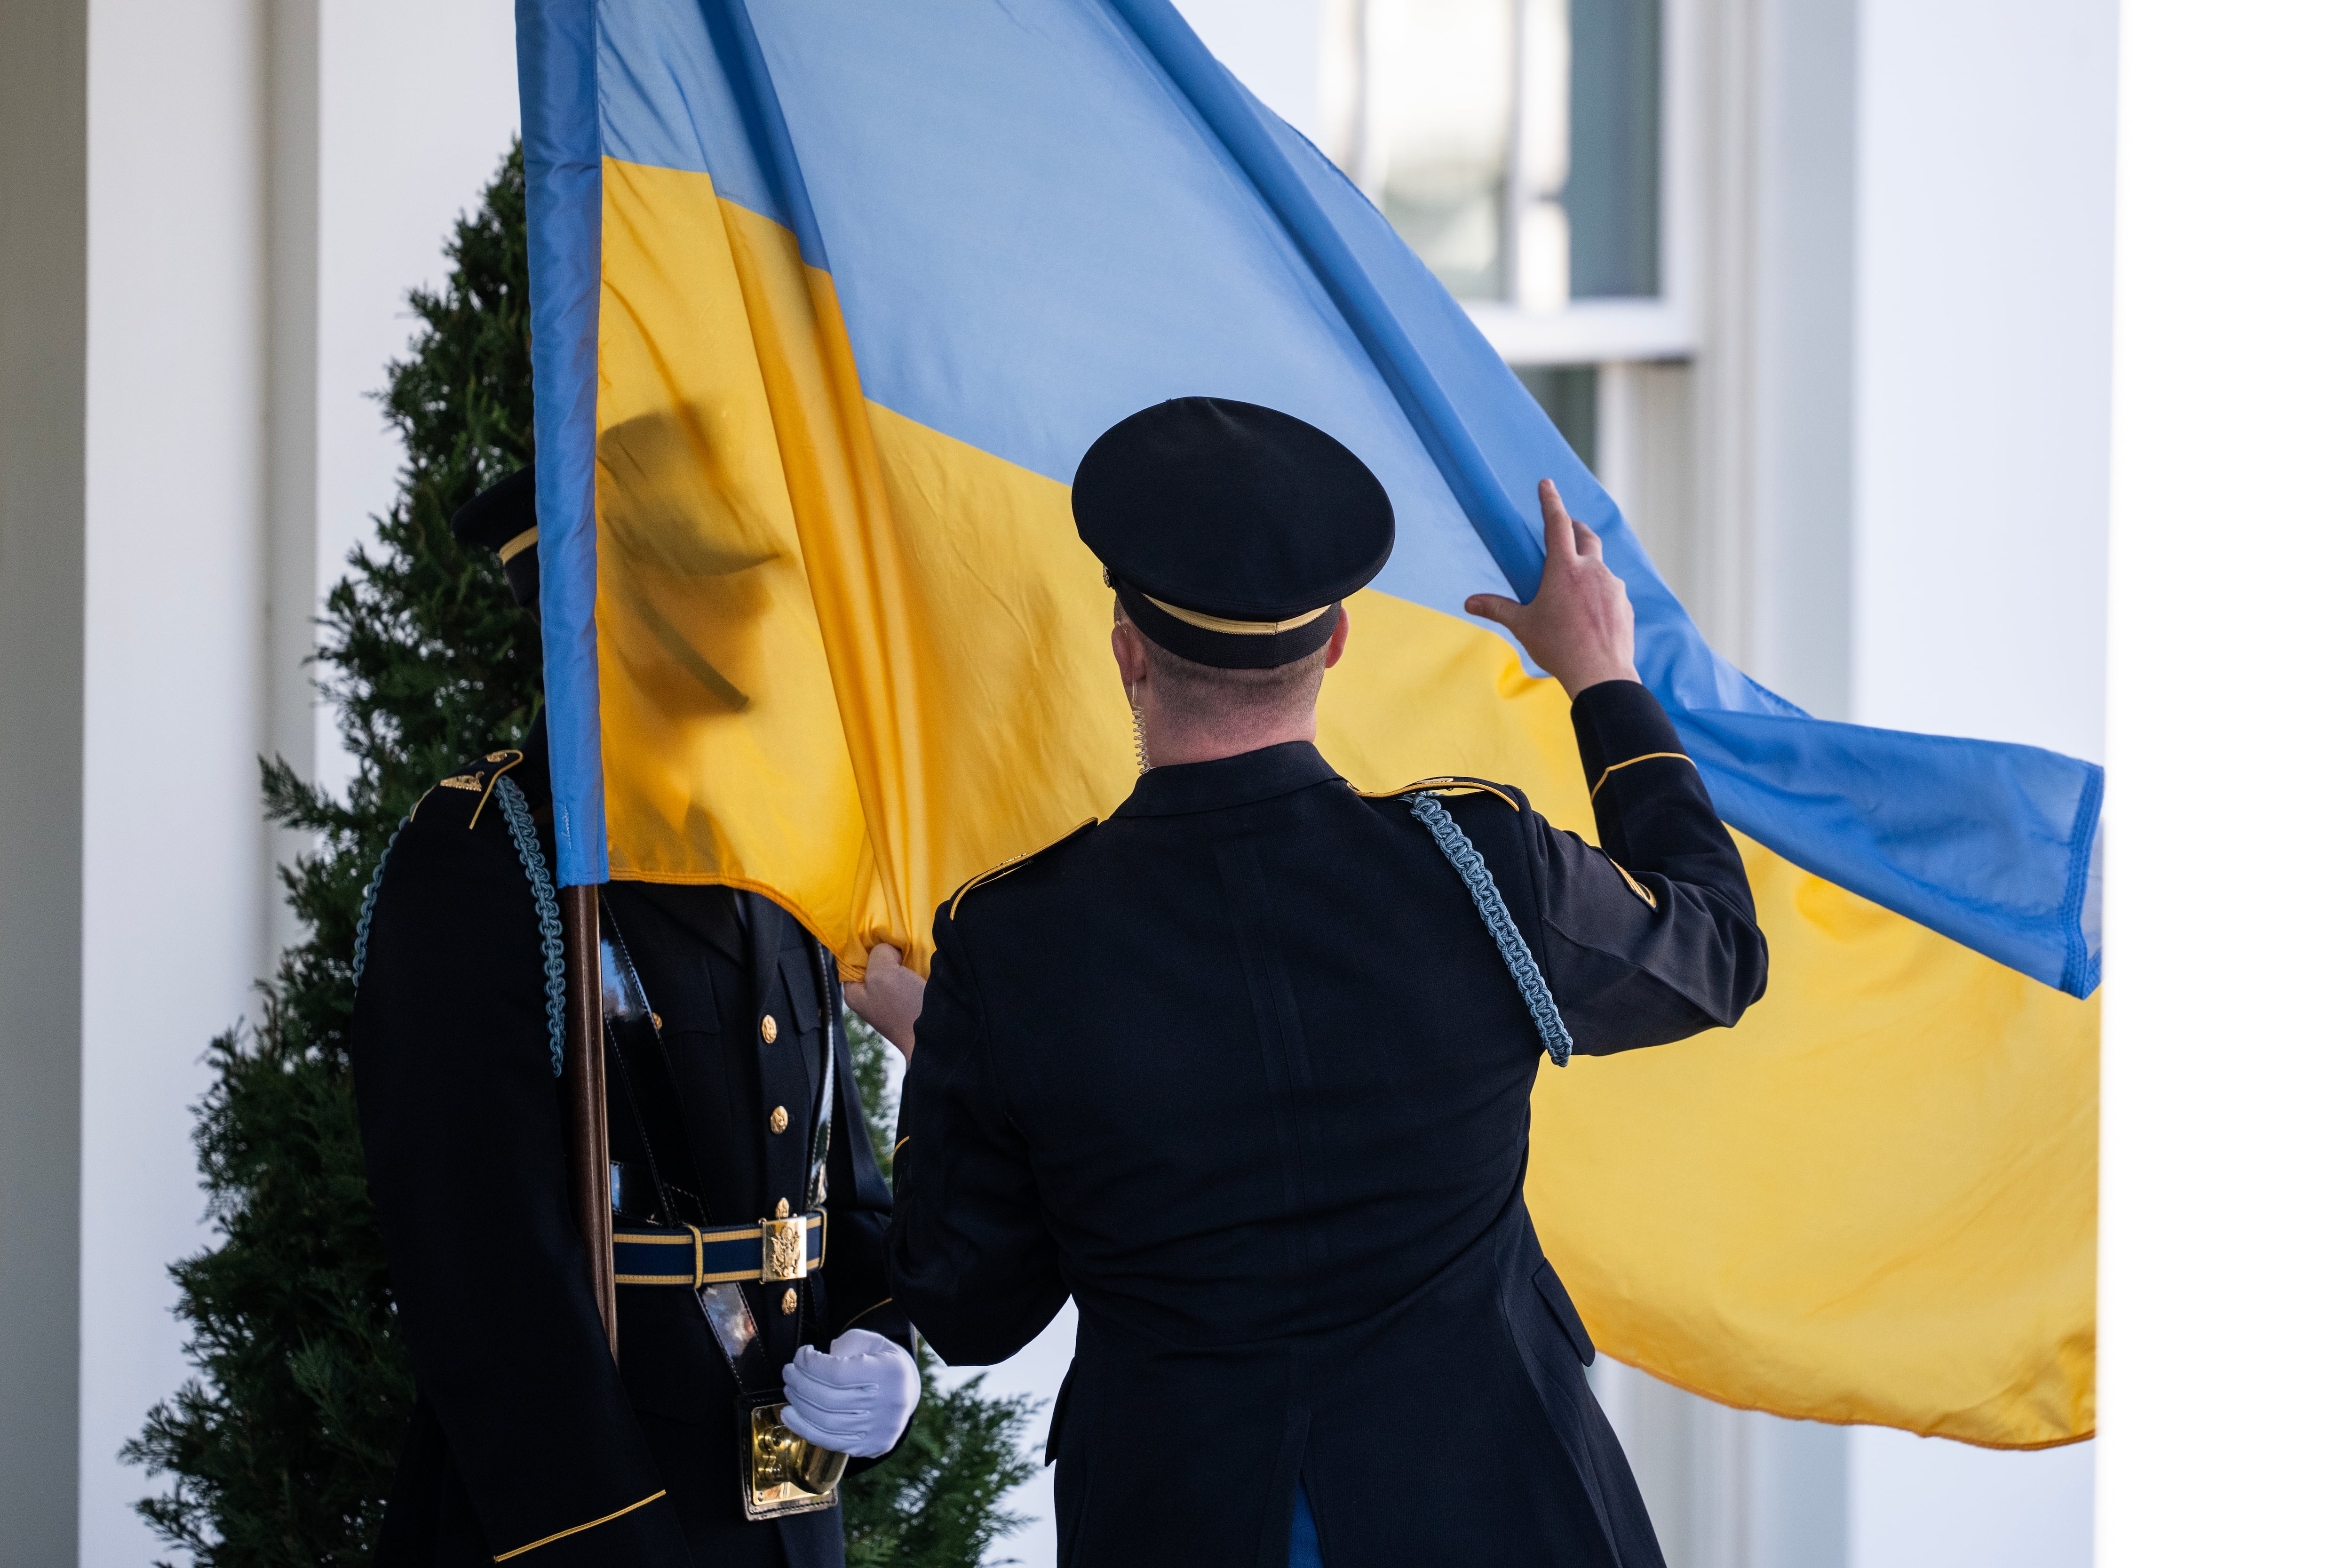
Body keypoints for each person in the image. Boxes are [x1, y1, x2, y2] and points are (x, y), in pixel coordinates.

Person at [852, 398, 1768, 1567]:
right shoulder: (1479, 862)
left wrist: (946, 1060)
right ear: (1336, 641)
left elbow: (973, 1309)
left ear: (1125, 648)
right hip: (1503, 1513)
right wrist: (1602, 679)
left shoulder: (1012, 944)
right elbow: (1718, 952)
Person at [351, 467, 920, 1568]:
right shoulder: (478, 863)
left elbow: (836, 1190)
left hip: (789, 1518)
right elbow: (481, 1275)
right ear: (599, 627)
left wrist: (884, 1341)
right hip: (585, 1526)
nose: (758, 630)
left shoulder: (773, 863)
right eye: (712, 594)